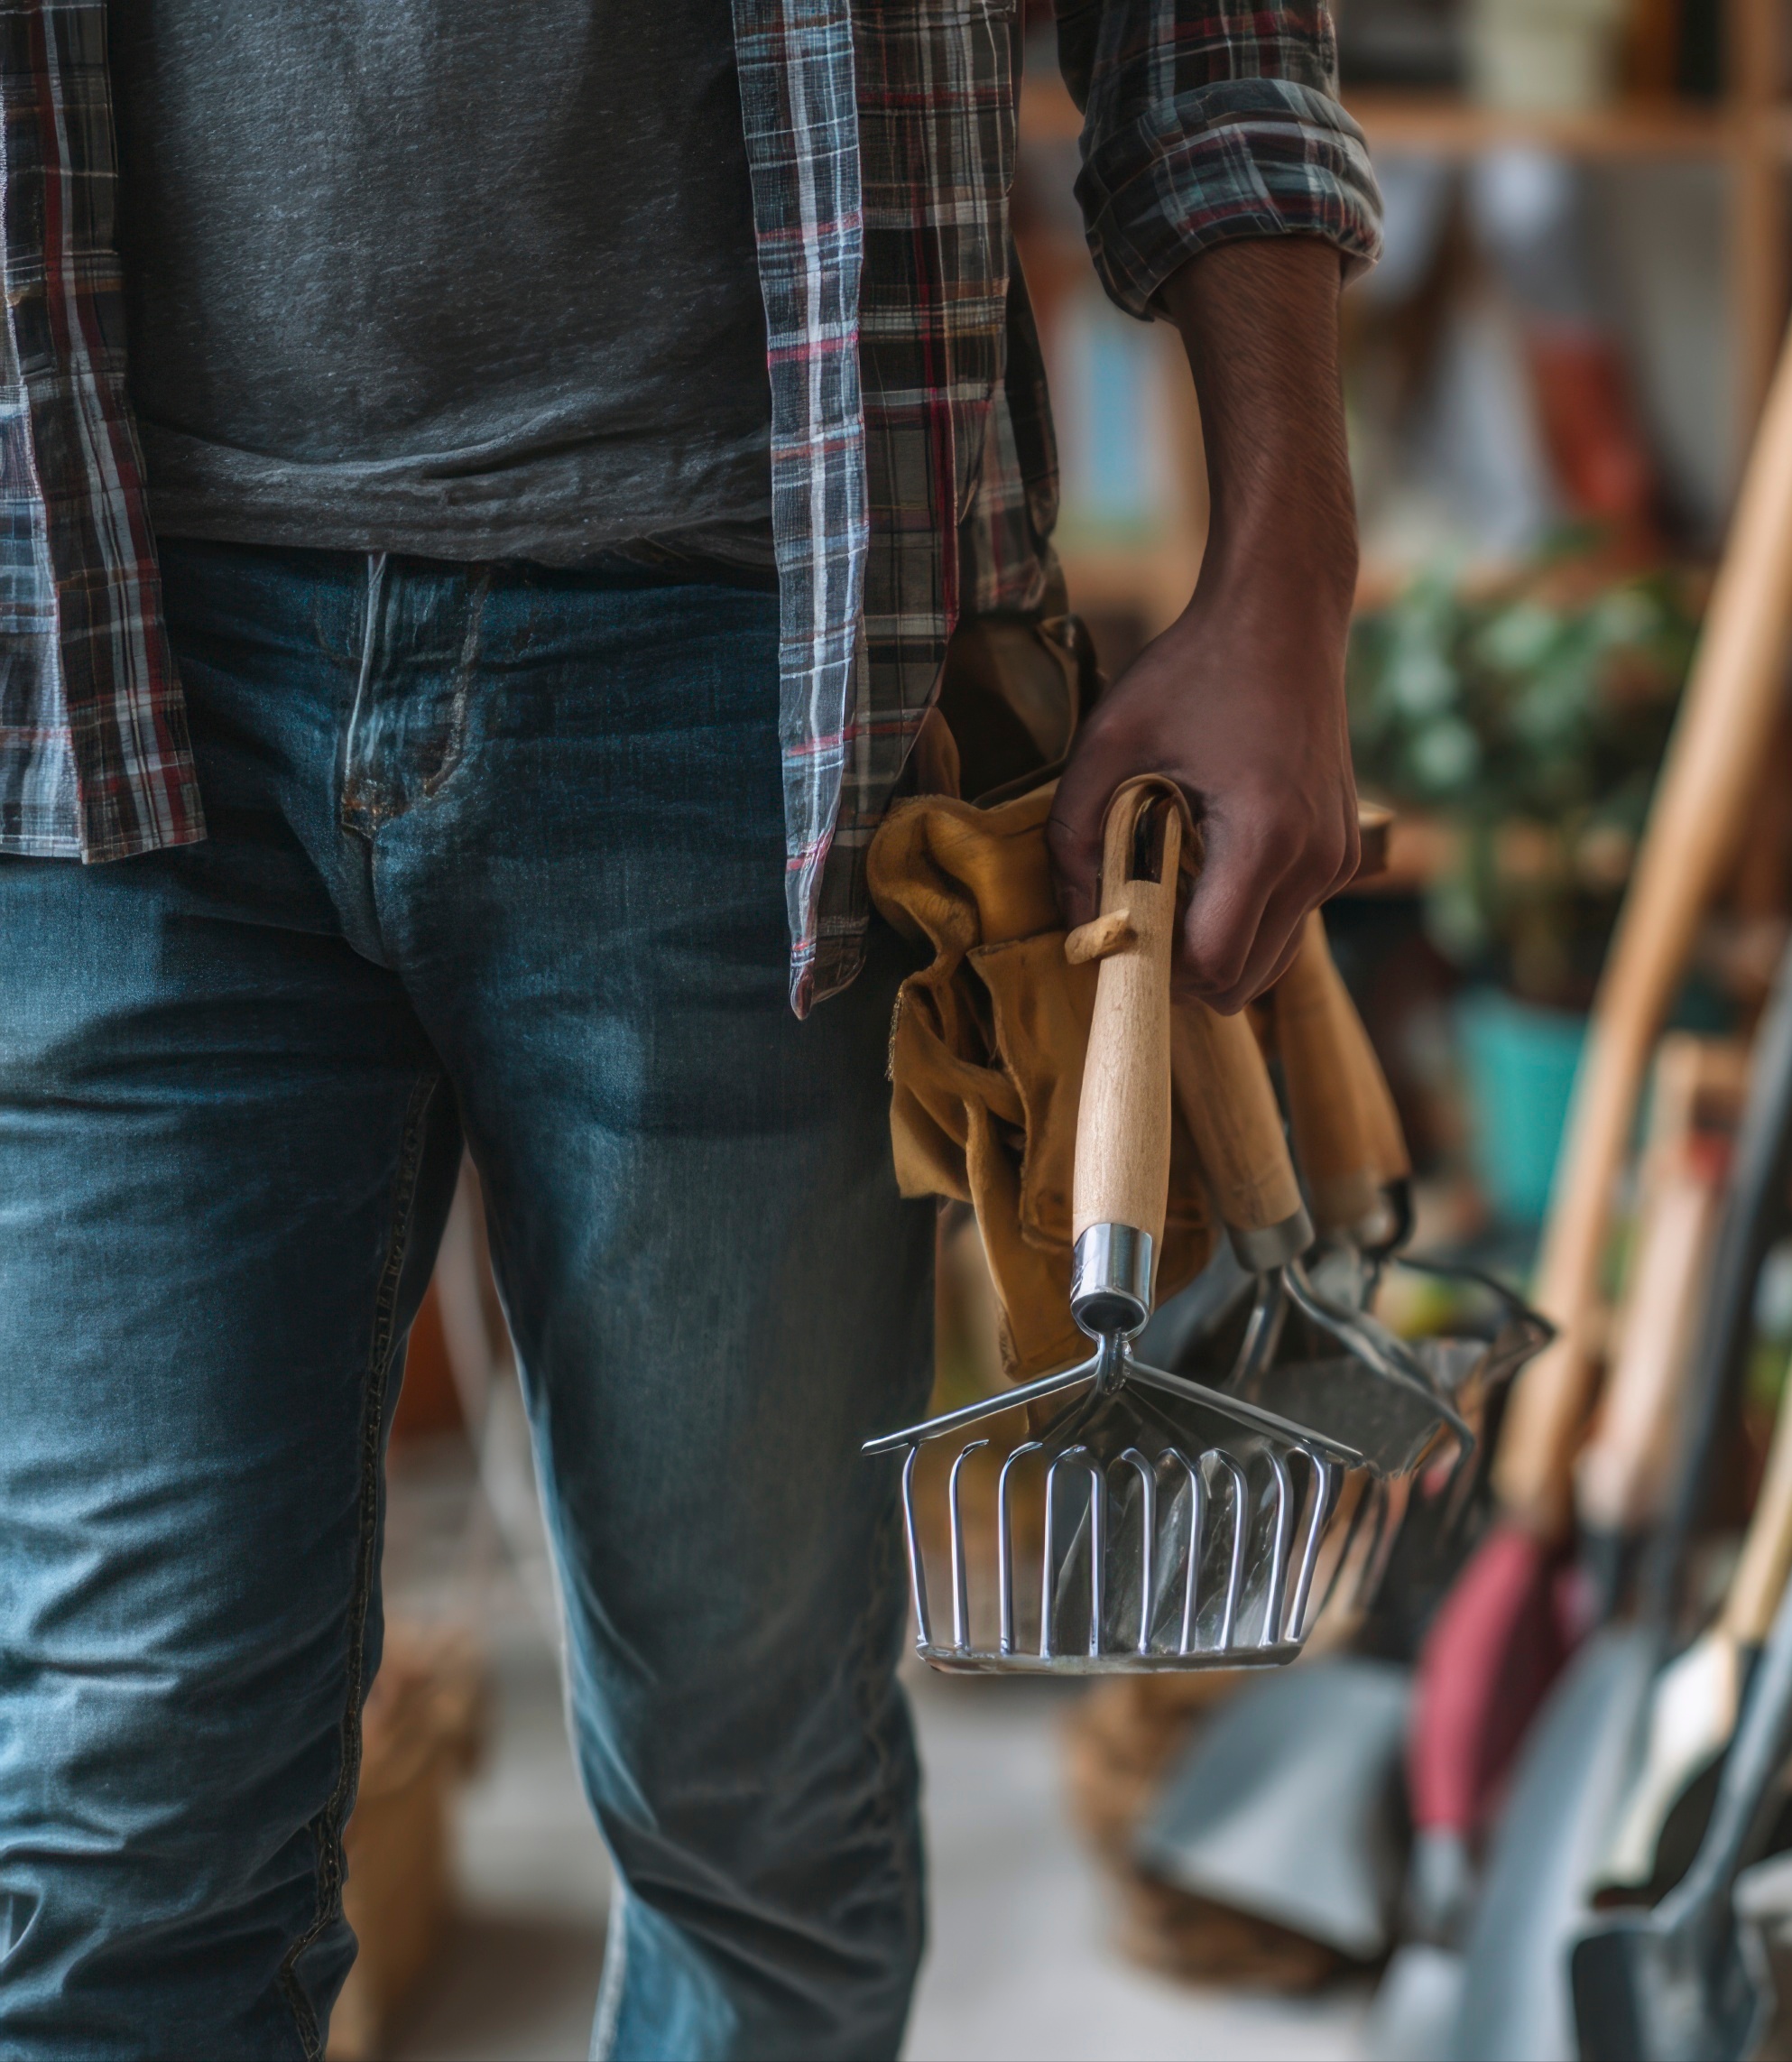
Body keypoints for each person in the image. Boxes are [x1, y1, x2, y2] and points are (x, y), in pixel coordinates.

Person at [0, 5, 1377, 2055]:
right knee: (121, 1822)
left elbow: (1208, 30)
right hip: (100, 673)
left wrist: (1289, 575)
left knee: (755, 1811)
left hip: (762, 683)